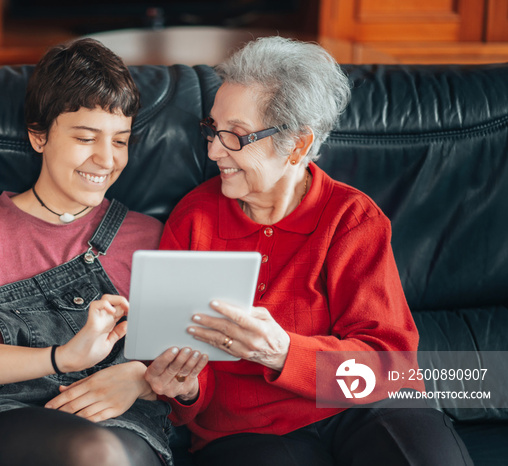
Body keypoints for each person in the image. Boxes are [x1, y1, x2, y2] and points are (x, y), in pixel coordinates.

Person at [144, 37, 474, 466]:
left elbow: (388, 362)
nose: (212, 151)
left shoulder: (351, 219)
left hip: (362, 407)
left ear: (298, 145)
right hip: (248, 430)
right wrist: (185, 388)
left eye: (236, 137)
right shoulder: (195, 219)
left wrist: (284, 353)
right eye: (212, 129)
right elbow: (183, 368)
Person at [0, 38, 173, 466]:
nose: (106, 159)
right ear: (39, 136)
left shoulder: (152, 235)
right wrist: (61, 356)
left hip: (121, 421)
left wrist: (143, 379)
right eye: (86, 137)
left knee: (102, 453)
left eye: (121, 141)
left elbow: (181, 363)